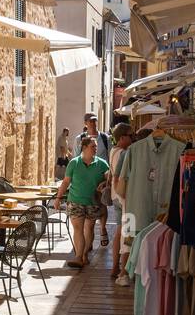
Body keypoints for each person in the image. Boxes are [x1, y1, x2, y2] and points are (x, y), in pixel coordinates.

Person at [52, 134, 110, 268]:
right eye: (92, 146)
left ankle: (84, 255)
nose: (95, 149)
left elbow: (109, 180)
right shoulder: (74, 163)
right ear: (84, 148)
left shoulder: (102, 164)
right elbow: (66, 182)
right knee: (78, 229)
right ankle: (78, 256)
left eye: (96, 146)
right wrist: (58, 198)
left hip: (93, 202)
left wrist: (106, 183)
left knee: (89, 229)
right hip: (75, 200)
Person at [108, 123, 134, 281]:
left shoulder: (113, 151)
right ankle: (121, 268)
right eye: (130, 136)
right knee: (125, 231)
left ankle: (115, 266)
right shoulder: (122, 153)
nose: (133, 138)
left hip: (115, 194)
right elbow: (121, 175)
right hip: (122, 195)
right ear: (122, 137)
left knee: (119, 231)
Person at [85, 113, 112, 246]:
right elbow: (75, 157)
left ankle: (102, 228)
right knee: (87, 206)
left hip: (102, 178)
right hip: (86, 179)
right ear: (85, 123)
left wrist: (109, 178)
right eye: (91, 121)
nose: (93, 123)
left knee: (102, 205)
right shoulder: (80, 139)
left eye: (95, 121)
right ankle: (88, 240)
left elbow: (111, 157)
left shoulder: (105, 138)